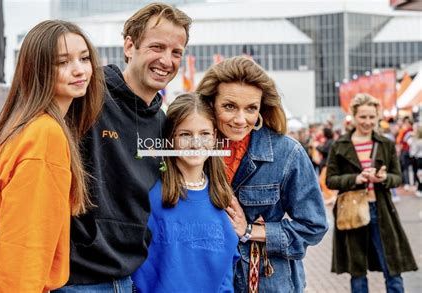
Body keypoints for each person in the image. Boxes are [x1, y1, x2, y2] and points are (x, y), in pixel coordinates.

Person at [0, 3, 192, 292]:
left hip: (125, 279)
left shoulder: (163, 123)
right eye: (157, 47)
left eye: (176, 52)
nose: (166, 60)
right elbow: (14, 159)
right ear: (130, 45)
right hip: (73, 281)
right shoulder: (82, 97)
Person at [0, 20, 104, 292]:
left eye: (84, 58)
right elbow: (27, 246)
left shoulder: (27, 125)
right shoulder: (45, 135)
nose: (79, 70)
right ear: (37, 69)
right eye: (63, 62)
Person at [196, 56, 328, 292]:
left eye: (251, 108)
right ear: (210, 104)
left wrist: (250, 231)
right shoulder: (192, 152)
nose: (240, 119)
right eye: (229, 106)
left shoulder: (287, 153)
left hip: (268, 283)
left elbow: (314, 226)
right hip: (207, 280)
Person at [132, 93, 239, 292]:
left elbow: (226, 269)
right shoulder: (153, 197)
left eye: (204, 134)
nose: (195, 143)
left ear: (215, 137)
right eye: (185, 134)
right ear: (170, 139)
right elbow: (140, 269)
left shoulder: (223, 199)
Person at [326, 93, 417, 293]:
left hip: (381, 210)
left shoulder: (385, 143)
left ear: (377, 117)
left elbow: (397, 177)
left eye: (371, 117)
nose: (367, 122)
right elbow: (330, 180)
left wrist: (384, 178)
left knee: (392, 267)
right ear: (354, 116)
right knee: (357, 271)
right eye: (363, 117)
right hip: (353, 211)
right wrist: (355, 179)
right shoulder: (340, 145)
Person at [410, 124, 422, 198]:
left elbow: (413, 152)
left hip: (418, 159)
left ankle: (420, 189)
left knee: (418, 174)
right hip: (419, 159)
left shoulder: (417, 141)